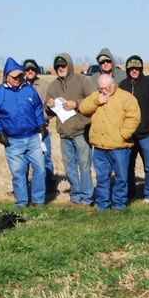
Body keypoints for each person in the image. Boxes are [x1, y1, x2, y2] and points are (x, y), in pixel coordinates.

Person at [0, 58, 47, 208]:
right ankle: (22, 202)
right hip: (13, 140)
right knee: (18, 172)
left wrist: (41, 125)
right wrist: (0, 133)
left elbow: (38, 108)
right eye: (14, 76)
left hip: (33, 137)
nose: (17, 79)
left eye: (20, 76)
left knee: (40, 168)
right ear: (6, 76)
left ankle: (39, 200)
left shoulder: (29, 89)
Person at [78, 74, 141, 211]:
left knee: (121, 178)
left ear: (113, 84)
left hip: (119, 147)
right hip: (100, 147)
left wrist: (123, 134)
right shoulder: (96, 96)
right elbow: (83, 108)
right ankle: (103, 205)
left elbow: (134, 117)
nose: (103, 91)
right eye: (100, 89)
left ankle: (119, 204)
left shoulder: (125, 97)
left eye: (106, 88)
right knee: (102, 177)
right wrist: (96, 101)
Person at [45, 53, 96, 207]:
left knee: (85, 166)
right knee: (70, 168)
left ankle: (87, 198)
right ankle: (75, 197)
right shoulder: (53, 86)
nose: (61, 68)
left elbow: (94, 99)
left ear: (69, 65)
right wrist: (49, 106)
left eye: (63, 65)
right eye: (58, 66)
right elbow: (47, 113)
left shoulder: (82, 81)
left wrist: (77, 103)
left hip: (81, 132)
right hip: (64, 134)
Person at [118, 55, 149, 203]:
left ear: (141, 69)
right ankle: (130, 193)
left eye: (137, 68)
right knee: (127, 166)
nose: (134, 71)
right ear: (127, 69)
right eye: (131, 68)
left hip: (147, 134)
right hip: (129, 135)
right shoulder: (123, 86)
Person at [23, 59, 56, 197]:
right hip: (24, 131)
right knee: (23, 161)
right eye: (27, 69)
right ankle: (23, 187)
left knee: (46, 158)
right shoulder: (19, 84)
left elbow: (52, 109)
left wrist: (43, 116)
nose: (30, 72)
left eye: (33, 69)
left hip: (42, 129)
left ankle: (48, 185)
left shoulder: (45, 86)